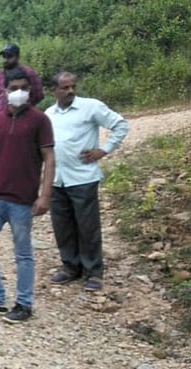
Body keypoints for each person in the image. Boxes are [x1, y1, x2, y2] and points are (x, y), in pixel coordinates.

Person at [0, 68, 55, 324]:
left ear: (30, 91)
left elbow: (49, 158)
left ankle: (24, 304)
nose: (19, 93)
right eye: (14, 88)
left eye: (23, 88)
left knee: (23, 253)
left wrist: (45, 195)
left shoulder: (40, 121)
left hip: (22, 200)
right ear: (5, 91)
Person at [45, 71, 129, 291]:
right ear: (54, 90)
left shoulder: (90, 107)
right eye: (65, 87)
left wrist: (104, 150)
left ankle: (94, 272)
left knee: (87, 226)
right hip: (57, 180)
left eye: (72, 86)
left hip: (83, 178)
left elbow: (120, 125)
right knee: (62, 226)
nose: (71, 90)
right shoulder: (49, 114)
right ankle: (70, 267)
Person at [0, 44, 43, 112]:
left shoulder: (29, 73)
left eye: (9, 56)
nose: (5, 60)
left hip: (25, 114)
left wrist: (24, 105)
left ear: (17, 57)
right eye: (4, 56)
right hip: (2, 115)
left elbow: (38, 95)